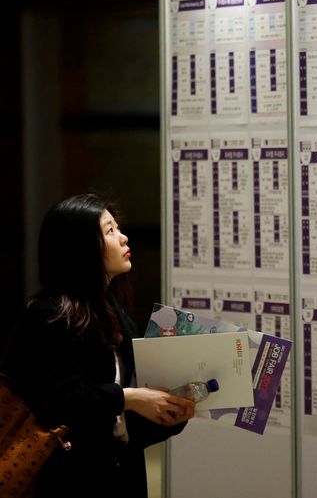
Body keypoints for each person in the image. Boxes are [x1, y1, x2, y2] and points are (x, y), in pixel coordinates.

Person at [1, 194, 196, 498]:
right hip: (66, 479)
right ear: (80, 248)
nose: (123, 237)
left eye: (117, 228)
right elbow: (58, 399)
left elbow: (121, 427)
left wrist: (167, 414)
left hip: (120, 477)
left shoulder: (114, 314)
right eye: (109, 231)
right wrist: (129, 397)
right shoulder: (46, 315)